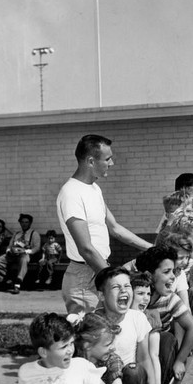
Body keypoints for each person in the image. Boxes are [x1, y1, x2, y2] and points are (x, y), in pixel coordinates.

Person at [57, 135, 153, 314]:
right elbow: (85, 248)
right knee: (90, 337)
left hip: (100, 269)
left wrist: (152, 249)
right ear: (91, 161)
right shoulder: (71, 194)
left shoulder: (94, 189)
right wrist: (114, 280)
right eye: (107, 159)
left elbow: (115, 228)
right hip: (84, 278)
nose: (112, 163)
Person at [94, 266, 166, 384]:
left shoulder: (137, 318)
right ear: (101, 295)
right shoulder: (94, 321)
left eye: (127, 286)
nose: (123, 291)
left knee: (134, 371)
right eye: (115, 287)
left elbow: (144, 358)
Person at [135, 245, 193, 382]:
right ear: (149, 275)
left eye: (173, 271)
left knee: (165, 339)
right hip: (137, 349)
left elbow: (192, 327)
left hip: (158, 352)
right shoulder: (134, 296)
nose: (172, 276)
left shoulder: (169, 299)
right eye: (166, 272)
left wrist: (180, 360)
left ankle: (162, 382)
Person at [130, 271, 167, 384]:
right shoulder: (121, 316)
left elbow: (153, 356)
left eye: (148, 294)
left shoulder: (150, 317)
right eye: (140, 294)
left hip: (142, 372)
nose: (146, 298)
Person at [0, 214, 41, 294]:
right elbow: (9, 245)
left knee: (23, 260)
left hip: (24, 254)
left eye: (26, 222)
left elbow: (36, 248)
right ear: (20, 223)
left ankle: (17, 284)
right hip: (12, 255)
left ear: (30, 223)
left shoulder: (34, 234)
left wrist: (25, 251)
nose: (24, 224)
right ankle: (8, 279)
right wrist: (8, 251)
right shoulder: (16, 234)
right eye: (22, 222)